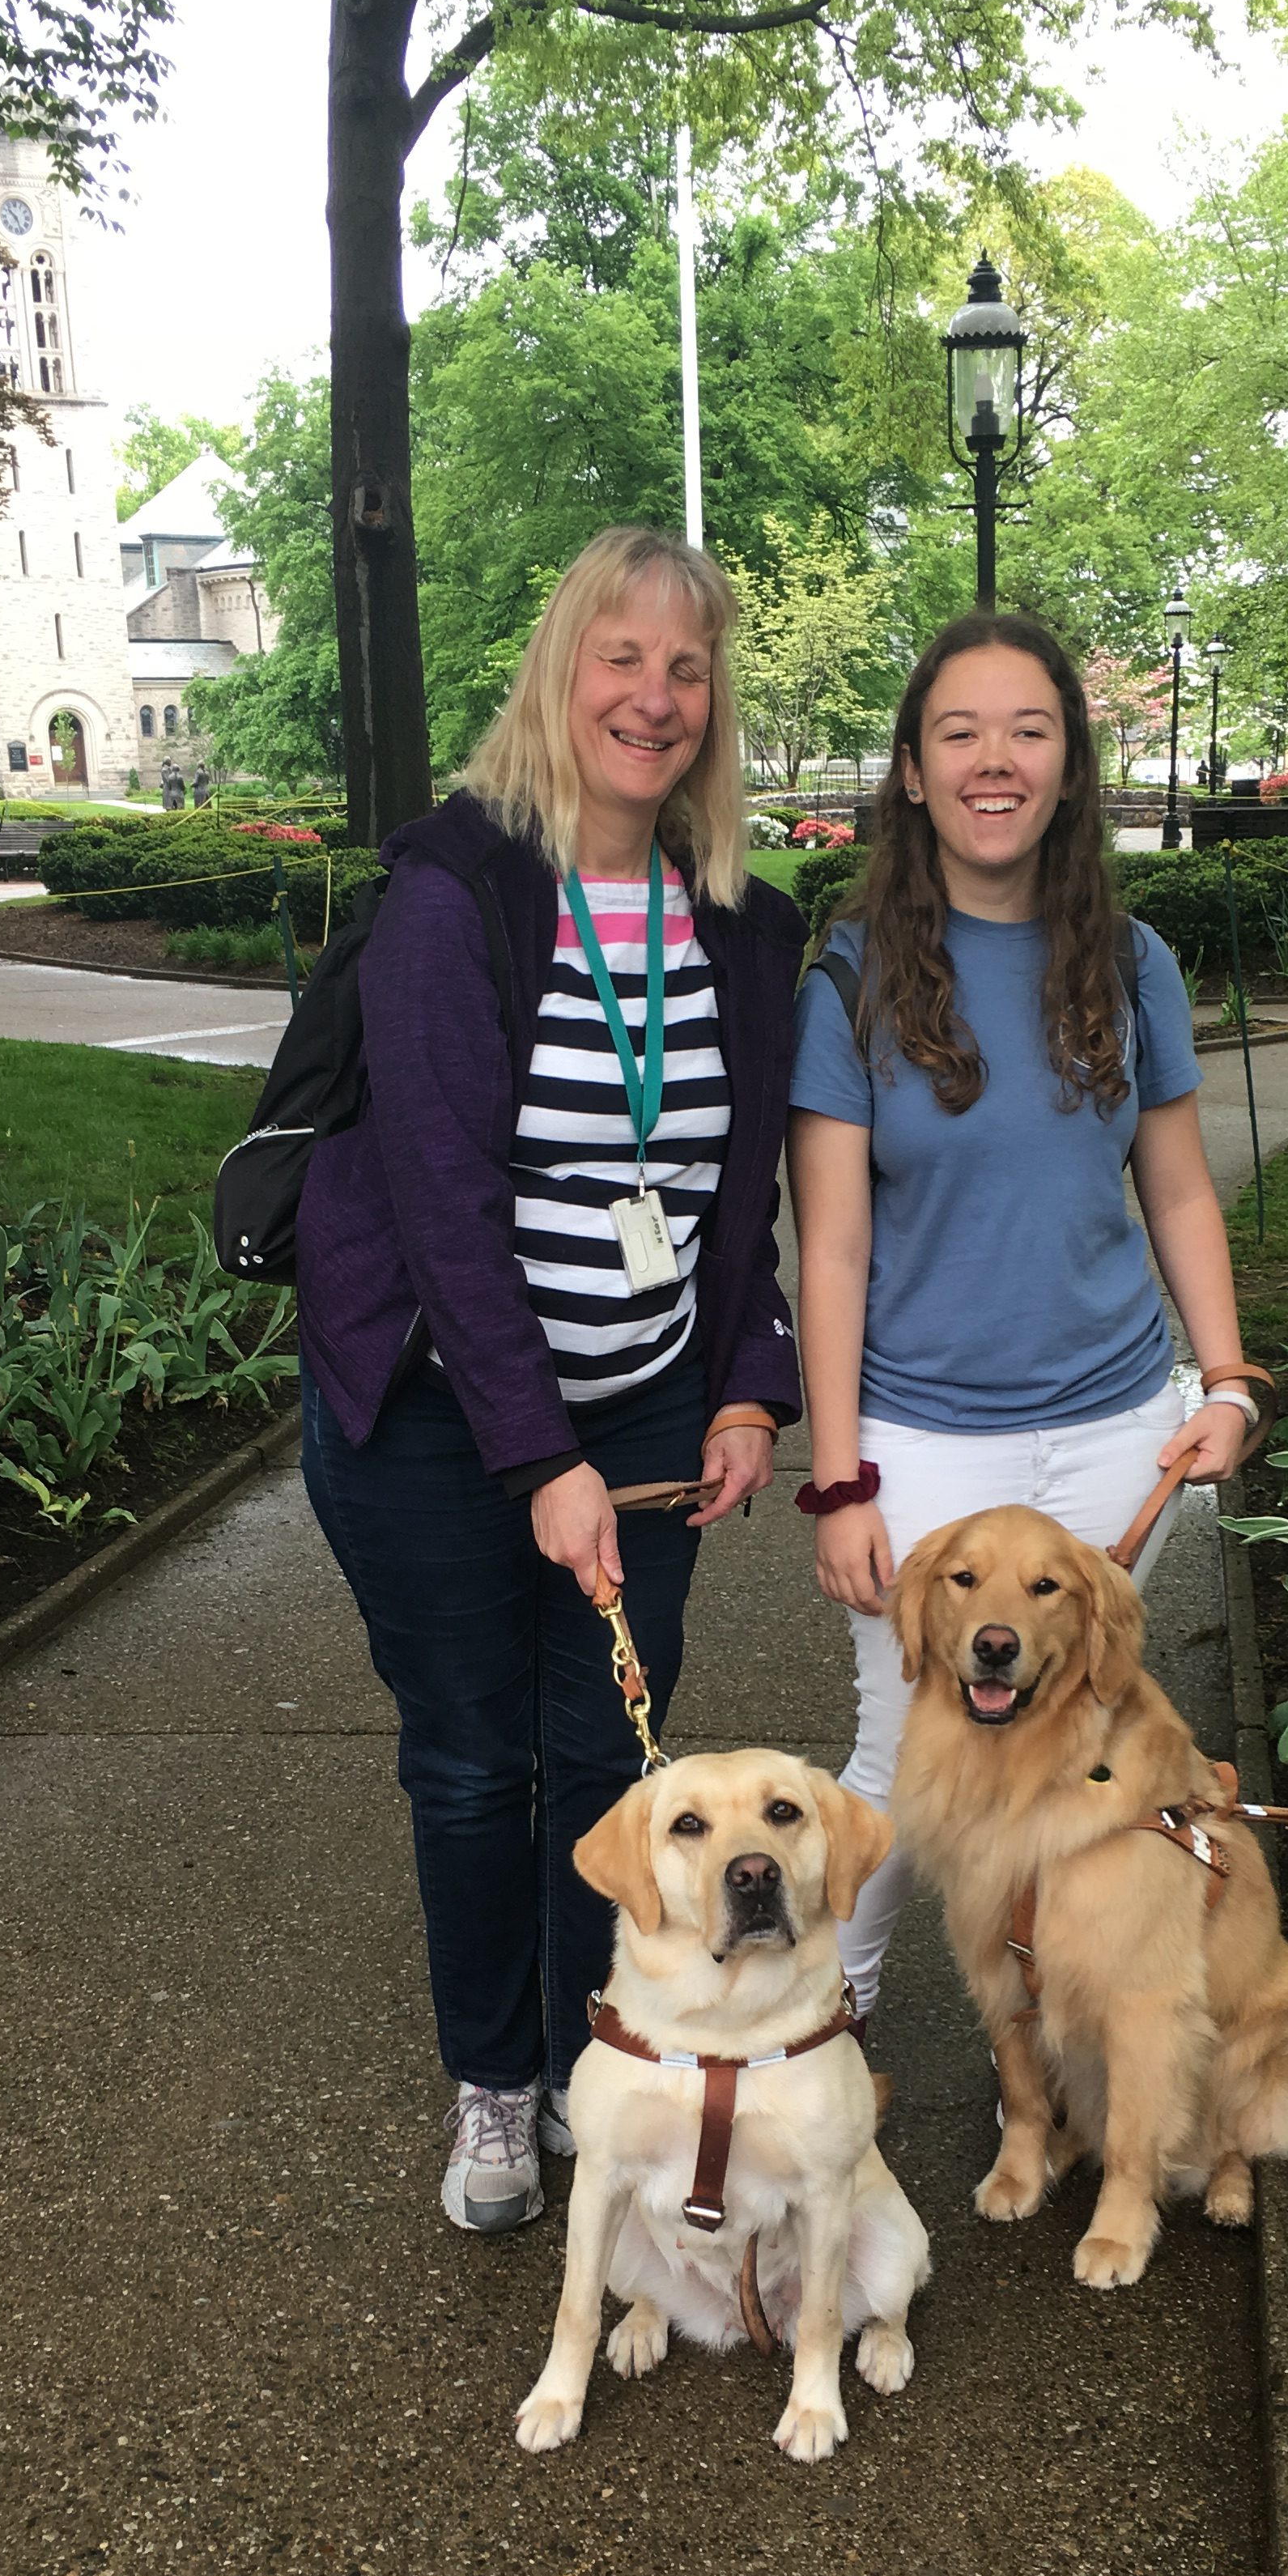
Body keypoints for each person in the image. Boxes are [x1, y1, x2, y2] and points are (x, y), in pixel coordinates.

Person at [295, 528, 807, 2232]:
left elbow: (743, 1199)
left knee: (604, 1768)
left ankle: (600, 2051)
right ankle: (496, 2090)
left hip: (650, 1407)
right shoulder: (458, 892)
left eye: (686, 668)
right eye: (621, 659)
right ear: (559, 671)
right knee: (471, 1764)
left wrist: (746, 1389)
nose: (652, 699)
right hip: (441, 1418)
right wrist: (539, 1460)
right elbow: (442, 1206)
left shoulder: (739, 922)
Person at [788, 607, 1265, 2021]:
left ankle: (1064, 2034)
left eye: (1028, 730)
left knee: (1077, 1743)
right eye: (960, 733)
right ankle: (828, 2017)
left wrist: (1223, 1380)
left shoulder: (1132, 962)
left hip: (1121, 1427)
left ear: (1068, 764)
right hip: (922, 1440)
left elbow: (1176, 1193)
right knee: (902, 1749)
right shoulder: (853, 973)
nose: (994, 760)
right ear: (915, 771)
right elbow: (827, 1246)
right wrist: (837, 1477)